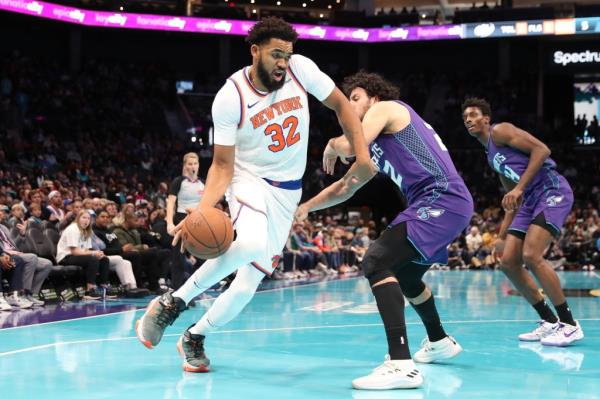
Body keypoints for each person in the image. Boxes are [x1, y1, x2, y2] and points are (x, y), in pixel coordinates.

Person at [135, 17, 375, 373]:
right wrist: (201, 211)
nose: (283, 61)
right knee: (247, 244)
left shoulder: (301, 70)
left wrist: (361, 155)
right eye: (276, 54)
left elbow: (342, 106)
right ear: (255, 51)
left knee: (249, 283)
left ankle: (194, 336)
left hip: (288, 192)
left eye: (287, 54)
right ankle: (173, 302)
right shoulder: (230, 97)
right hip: (248, 180)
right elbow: (221, 166)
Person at [295, 72, 473, 390]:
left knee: (376, 260)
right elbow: (348, 185)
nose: (349, 105)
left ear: (374, 96)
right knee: (406, 277)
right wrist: (307, 206)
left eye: (355, 98)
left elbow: (350, 144)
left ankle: (401, 363)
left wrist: (334, 144)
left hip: (441, 197)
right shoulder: (374, 146)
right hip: (443, 202)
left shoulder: (386, 108)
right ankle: (440, 340)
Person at [462, 97, 583, 347]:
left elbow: (542, 150)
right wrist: (502, 236)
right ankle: (549, 321)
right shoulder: (490, 155)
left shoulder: (501, 131)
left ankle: (570, 325)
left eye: (473, 115)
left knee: (531, 255)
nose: (468, 120)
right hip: (529, 200)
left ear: (486, 118)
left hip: (551, 189)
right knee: (508, 262)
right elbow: (512, 200)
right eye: (465, 118)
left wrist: (519, 188)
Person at [166, 152, 205, 289]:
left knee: (203, 257)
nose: (193, 166)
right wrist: (170, 223)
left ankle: (192, 288)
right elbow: (170, 203)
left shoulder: (203, 183)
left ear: (199, 165)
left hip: (199, 220)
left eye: (195, 163)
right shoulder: (179, 181)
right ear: (185, 166)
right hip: (181, 218)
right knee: (179, 258)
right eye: (190, 164)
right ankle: (177, 291)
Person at [56, 210, 110, 300]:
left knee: (104, 259)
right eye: (84, 217)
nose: (86, 220)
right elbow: (74, 252)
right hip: (65, 257)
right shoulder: (73, 228)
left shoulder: (87, 231)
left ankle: (103, 288)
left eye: (88, 218)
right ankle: (90, 290)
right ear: (78, 219)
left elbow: (86, 250)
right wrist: (93, 253)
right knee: (93, 259)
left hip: (76, 256)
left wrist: (97, 253)